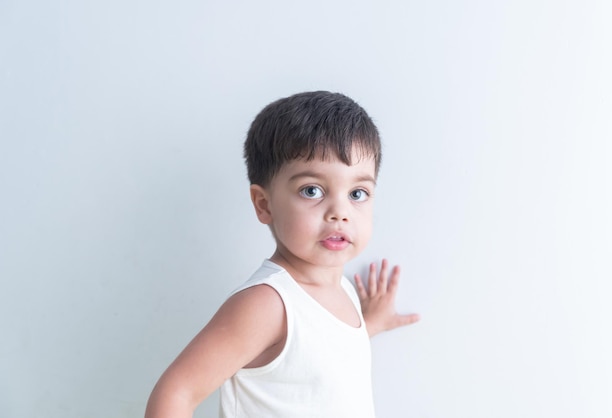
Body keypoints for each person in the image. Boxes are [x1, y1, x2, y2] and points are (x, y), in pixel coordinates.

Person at [145, 91, 420, 418]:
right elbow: (177, 392)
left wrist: (368, 324)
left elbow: (316, 354)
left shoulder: (341, 290)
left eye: (357, 193)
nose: (339, 212)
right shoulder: (267, 304)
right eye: (312, 191)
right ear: (264, 204)